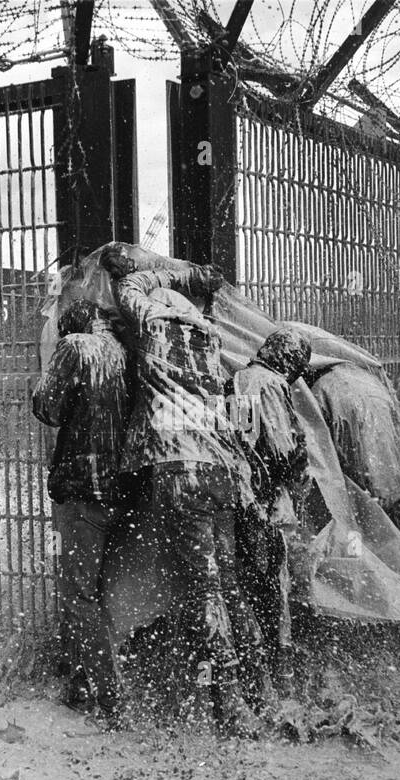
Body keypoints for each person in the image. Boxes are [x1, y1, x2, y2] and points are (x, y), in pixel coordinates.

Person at [102, 245, 266, 737]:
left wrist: (162, 273)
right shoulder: (210, 337)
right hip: (222, 472)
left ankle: (231, 705)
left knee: (204, 590)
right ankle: (262, 688)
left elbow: (126, 284)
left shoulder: (151, 323)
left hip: (180, 468)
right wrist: (193, 279)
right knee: (230, 583)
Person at [31, 298, 129, 723]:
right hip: (116, 489)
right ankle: (77, 683)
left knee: (77, 595)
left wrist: (43, 379)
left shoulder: (75, 347)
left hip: (80, 489)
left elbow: (47, 406)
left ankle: (109, 701)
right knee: (97, 593)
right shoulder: (123, 353)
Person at [230, 328, 313, 698]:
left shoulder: (238, 378)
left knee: (247, 588)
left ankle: (252, 678)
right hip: (267, 503)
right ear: (291, 361)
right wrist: (301, 474)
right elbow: (281, 448)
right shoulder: (272, 384)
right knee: (274, 594)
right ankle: (280, 683)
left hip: (240, 497)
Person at [306, 361, 400, 556]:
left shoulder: (319, 392)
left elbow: (323, 458)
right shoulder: (366, 378)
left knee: (367, 564)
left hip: (372, 496)